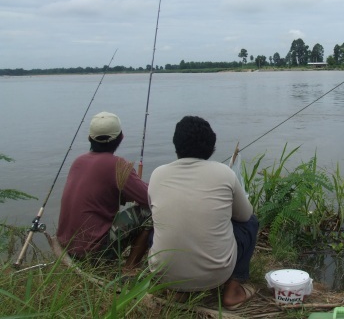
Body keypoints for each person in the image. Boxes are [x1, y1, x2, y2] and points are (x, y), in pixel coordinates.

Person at [148, 115, 259, 310]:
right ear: (211, 147)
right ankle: (232, 291)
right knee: (251, 223)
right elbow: (245, 216)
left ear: (176, 145)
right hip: (216, 274)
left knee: (157, 227)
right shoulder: (224, 173)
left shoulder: (157, 174)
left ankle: (178, 291)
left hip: (164, 273)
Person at [56, 111, 151, 273]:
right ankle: (130, 267)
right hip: (94, 252)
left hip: (66, 245)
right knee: (148, 211)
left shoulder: (78, 162)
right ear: (121, 137)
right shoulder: (119, 166)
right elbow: (151, 197)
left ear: (89, 138)